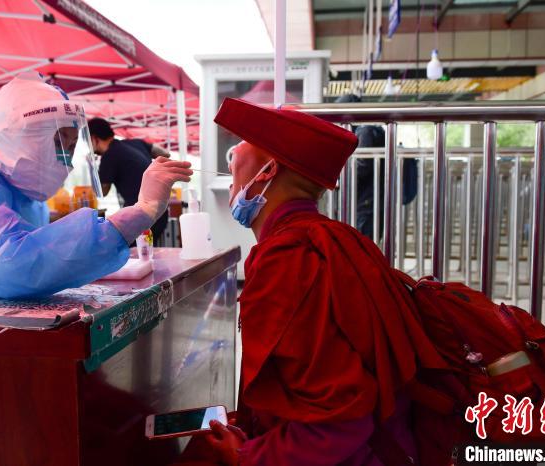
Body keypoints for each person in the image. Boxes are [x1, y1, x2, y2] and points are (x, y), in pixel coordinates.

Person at [180, 98, 444, 465]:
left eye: (237, 150)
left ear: (268, 170)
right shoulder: (333, 236)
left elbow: (339, 423)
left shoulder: (289, 260)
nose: (231, 162)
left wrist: (246, 456)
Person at [0, 73, 192, 310]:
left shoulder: (23, 195)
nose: (67, 160)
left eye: (72, 147)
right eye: (60, 143)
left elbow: (43, 257)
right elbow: (14, 265)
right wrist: (140, 211)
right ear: (23, 137)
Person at [334, 94, 418, 238]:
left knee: (359, 244)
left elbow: (362, 166)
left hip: (367, 203)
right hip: (373, 202)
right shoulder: (373, 130)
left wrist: (338, 176)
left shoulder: (365, 131)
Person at [88, 117, 171, 242]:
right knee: (146, 250)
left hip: (143, 217)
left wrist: (91, 166)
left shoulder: (109, 156)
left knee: (125, 249)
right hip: (161, 212)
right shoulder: (136, 143)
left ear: (94, 139)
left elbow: (101, 193)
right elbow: (165, 153)